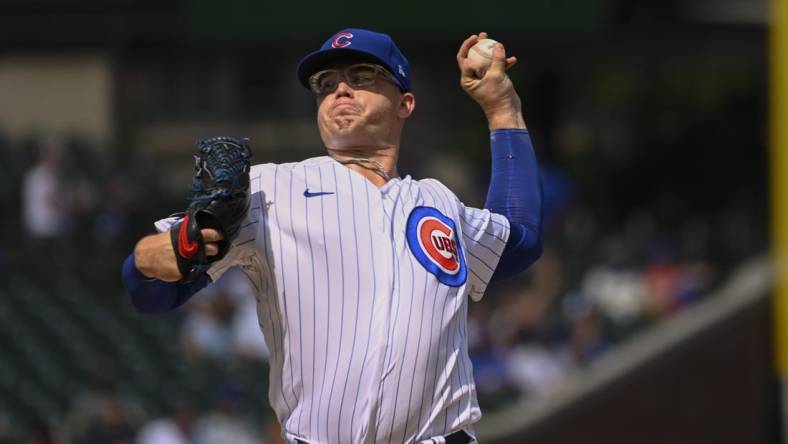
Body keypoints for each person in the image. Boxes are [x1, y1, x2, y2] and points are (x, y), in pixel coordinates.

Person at [122, 28, 543, 444]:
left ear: (405, 103)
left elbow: (520, 241)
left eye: (361, 77)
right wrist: (146, 260)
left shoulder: (440, 202)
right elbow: (152, 291)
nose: (340, 89)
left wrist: (502, 107)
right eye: (325, 84)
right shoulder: (271, 190)